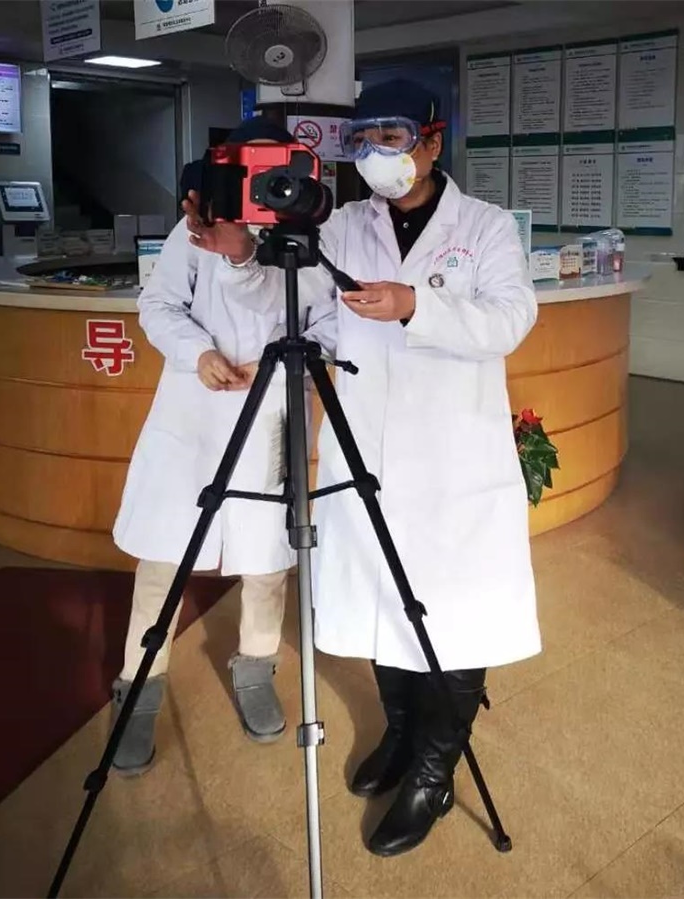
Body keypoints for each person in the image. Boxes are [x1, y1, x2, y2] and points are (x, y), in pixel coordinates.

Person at [184, 80, 542, 857]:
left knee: (455, 610)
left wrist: (417, 304)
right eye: (367, 137)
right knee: (384, 594)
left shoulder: (484, 227)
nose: (379, 151)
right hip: (366, 450)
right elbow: (303, 306)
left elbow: (511, 320)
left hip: (454, 456)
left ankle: (434, 771)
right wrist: (242, 256)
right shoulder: (344, 224)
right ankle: (402, 732)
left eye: (394, 135)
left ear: (432, 141)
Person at [111, 117, 333, 776]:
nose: (265, 182)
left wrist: (284, 358)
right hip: (194, 410)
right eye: (251, 168)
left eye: (275, 168)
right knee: (163, 555)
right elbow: (157, 306)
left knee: (267, 559)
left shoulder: (309, 232)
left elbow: (323, 320)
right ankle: (139, 685)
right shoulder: (197, 227)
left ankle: (255, 665)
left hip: (270, 409)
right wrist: (197, 352)